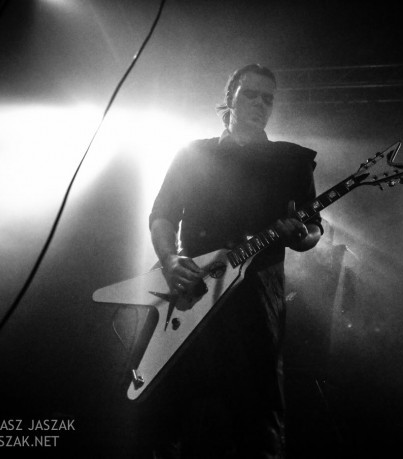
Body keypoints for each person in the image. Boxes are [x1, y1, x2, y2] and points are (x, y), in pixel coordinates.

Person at [147, 63, 323, 458]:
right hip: (190, 294)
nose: (261, 103)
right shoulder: (194, 153)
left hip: (257, 300)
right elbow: (162, 214)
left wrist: (301, 235)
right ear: (230, 98)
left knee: (259, 417)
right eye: (251, 94)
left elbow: (314, 228)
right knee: (166, 411)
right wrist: (170, 260)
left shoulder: (292, 161)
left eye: (268, 99)